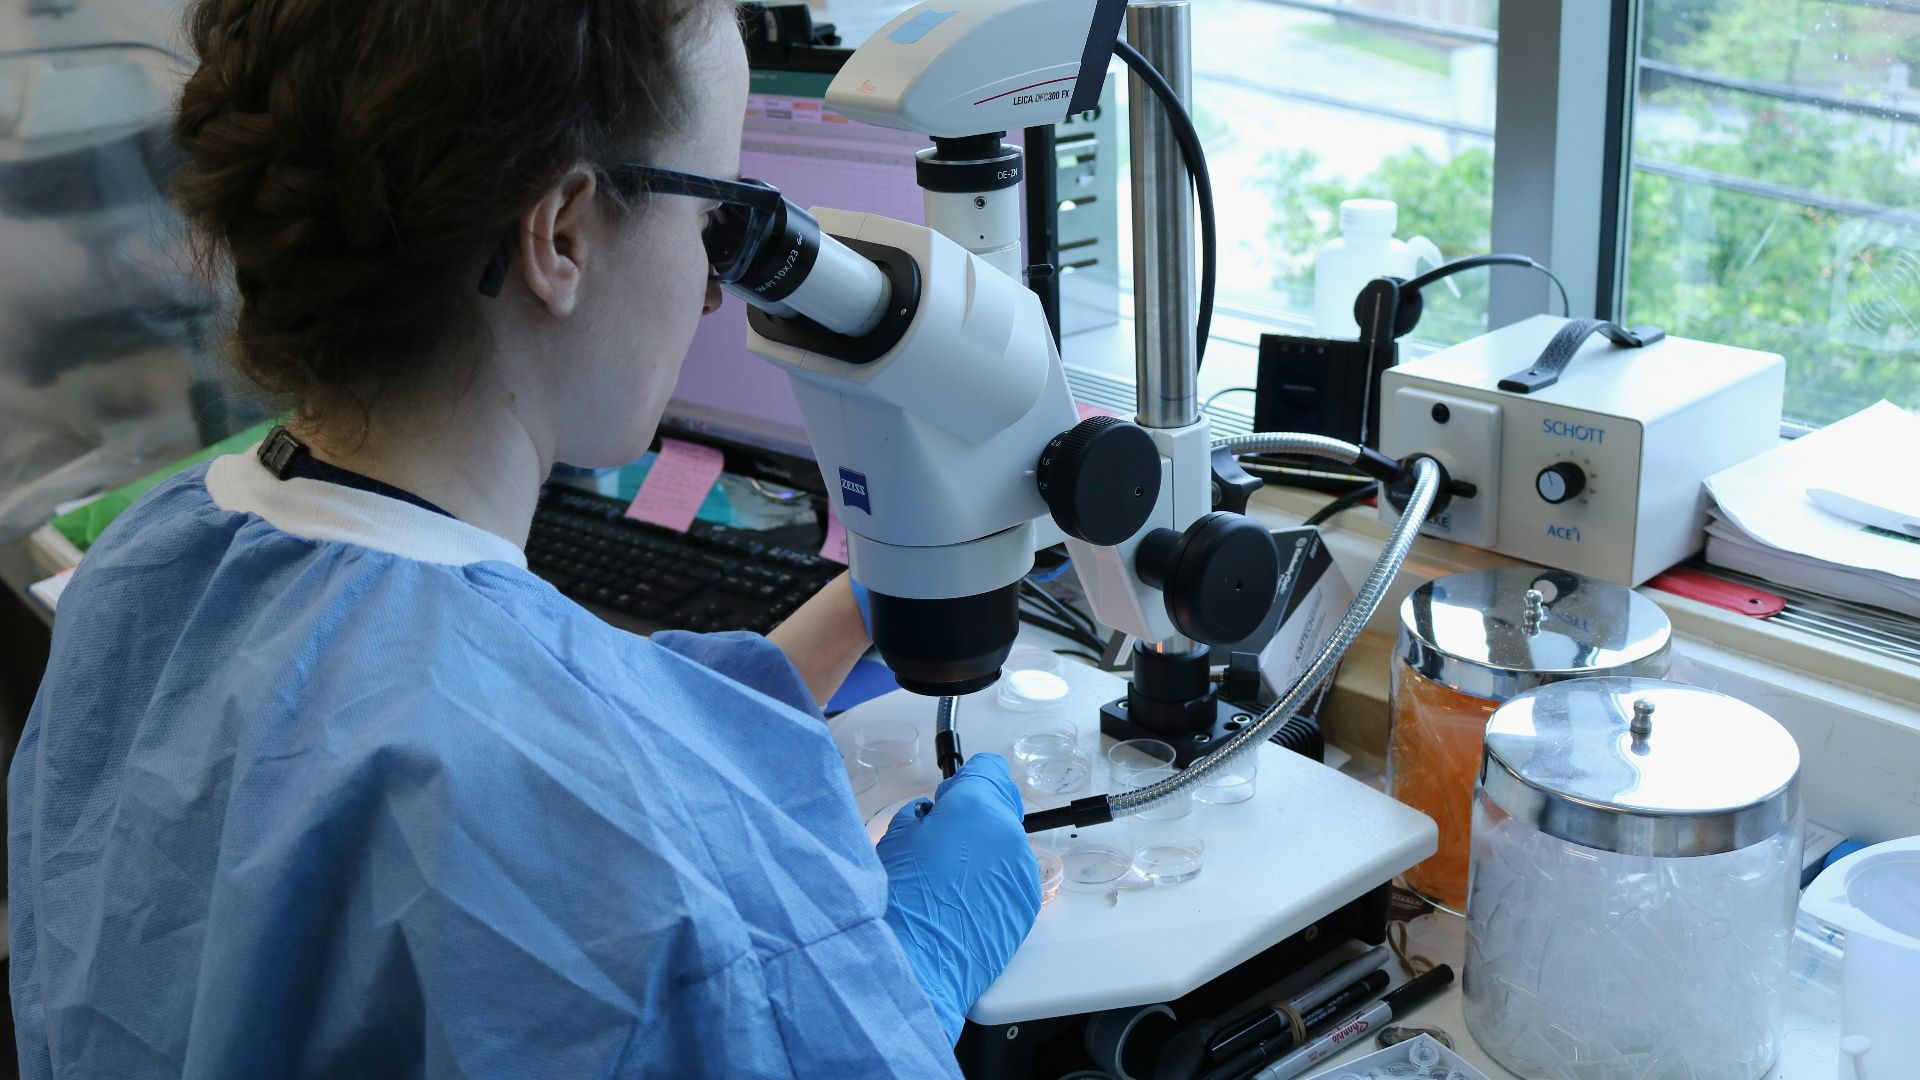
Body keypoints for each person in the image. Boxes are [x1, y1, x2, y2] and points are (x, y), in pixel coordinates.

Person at [6, 0, 1042, 1075]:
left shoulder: (152, 563)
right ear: (561, 236)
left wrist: (794, 656)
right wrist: (912, 975)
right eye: (717, 218)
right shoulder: (572, 812)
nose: (712, 290)